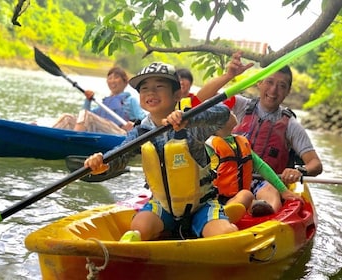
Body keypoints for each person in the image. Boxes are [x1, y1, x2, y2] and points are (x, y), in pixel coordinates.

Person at [84, 61, 246, 241]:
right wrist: (102, 162)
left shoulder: (192, 122)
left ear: (177, 93)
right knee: (139, 227)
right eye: (144, 89)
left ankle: (224, 220)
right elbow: (120, 155)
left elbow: (223, 114)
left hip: (201, 205)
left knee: (224, 235)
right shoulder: (141, 132)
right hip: (163, 205)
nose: (151, 93)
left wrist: (188, 118)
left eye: (159, 86)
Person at [197, 51, 323, 216]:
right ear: (259, 83)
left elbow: (315, 164)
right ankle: (233, 209)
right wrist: (228, 76)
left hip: (266, 181)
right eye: (269, 82)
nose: (273, 90)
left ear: (288, 91)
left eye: (282, 86)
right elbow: (199, 100)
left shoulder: (292, 126)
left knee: (270, 190)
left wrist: (300, 170)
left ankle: (261, 210)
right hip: (228, 180)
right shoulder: (239, 105)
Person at [204, 111, 303, 214]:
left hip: (238, 196)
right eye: (229, 113)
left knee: (247, 196)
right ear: (218, 125)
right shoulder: (208, 147)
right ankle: (224, 214)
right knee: (247, 195)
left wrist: (284, 191)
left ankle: (259, 211)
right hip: (217, 198)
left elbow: (262, 167)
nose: (233, 112)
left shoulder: (240, 143)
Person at [53, 66, 147, 135]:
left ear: (125, 82)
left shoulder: (130, 100)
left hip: (121, 133)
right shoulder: (104, 104)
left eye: (116, 77)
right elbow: (83, 116)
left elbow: (144, 120)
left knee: (87, 115)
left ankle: (71, 142)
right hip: (102, 131)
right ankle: (46, 136)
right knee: (67, 118)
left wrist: (134, 126)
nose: (112, 81)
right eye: (110, 78)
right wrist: (88, 100)